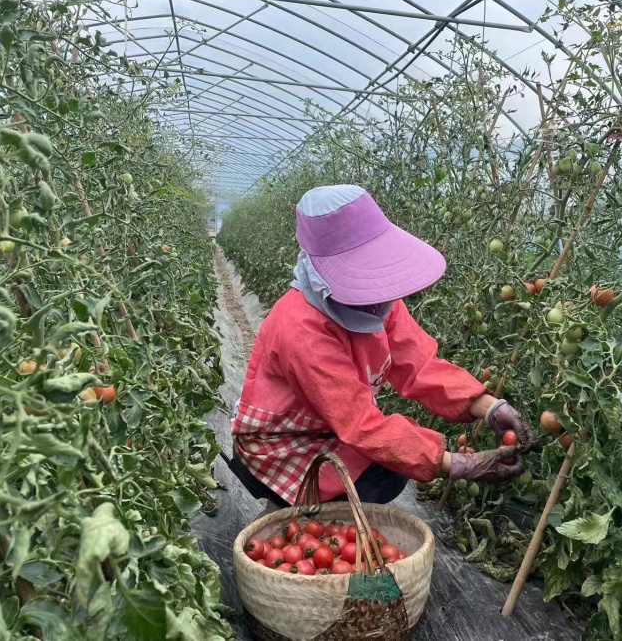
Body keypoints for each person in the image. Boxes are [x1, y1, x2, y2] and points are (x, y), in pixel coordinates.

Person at [229, 184, 537, 515]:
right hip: (283, 443)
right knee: (388, 467)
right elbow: (360, 423)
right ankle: (287, 510)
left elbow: (418, 364)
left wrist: (488, 406)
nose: (379, 295)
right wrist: (457, 464)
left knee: (393, 464)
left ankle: (316, 515)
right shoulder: (300, 327)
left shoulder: (375, 300)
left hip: (327, 427)